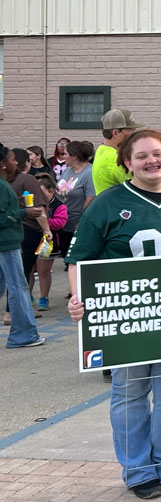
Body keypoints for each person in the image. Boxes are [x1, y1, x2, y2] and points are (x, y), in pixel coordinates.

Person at [67, 129, 161, 499]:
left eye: (158, 154)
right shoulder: (107, 204)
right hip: (128, 319)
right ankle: (138, 469)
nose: (152, 161)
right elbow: (79, 259)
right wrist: (78, 297)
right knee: (130, 394)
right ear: (127, 163)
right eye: (142, 156)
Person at [0, 143, 46, 348]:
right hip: (6, 243)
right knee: (18, 287)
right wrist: (23, 212)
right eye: (11, 159)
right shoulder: (2, 186)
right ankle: (23, 334)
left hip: (7, 241)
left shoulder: (4, 185)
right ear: (2, 164)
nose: (15, 163)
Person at [57, 141, 97, 258]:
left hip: (76, 223)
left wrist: (81, 221)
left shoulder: (89, 173)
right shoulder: (68, 170)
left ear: (74, 156)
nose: (63, 157)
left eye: (65, 154)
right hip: (63, 221)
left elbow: (91, 197)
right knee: (64, 255)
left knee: (74, 259)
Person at [32, 174, 66, 309]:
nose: (37, 196)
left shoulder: (59, 206)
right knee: (28, 270)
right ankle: (27, 297)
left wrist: (43, 221)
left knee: (43, 271)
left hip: (48, 243)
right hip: (31, 240)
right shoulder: (31, 203)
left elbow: (60, 223)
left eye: (41, 192)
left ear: (51, 191)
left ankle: (43, 298)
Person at [93, 109, 142, 194]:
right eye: (131, 130)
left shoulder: (102, 150)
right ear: (115, 133)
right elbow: (141, 187)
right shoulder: (115, 159)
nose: (134, 135)